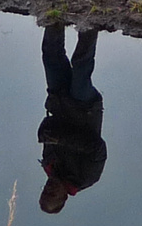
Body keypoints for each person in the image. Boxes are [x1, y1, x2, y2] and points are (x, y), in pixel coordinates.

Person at [37, 23, 107, 214]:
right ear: (64, 197)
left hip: (59, 101)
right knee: (81, 65)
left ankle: (54, 13)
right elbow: (97, 148)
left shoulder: (48, 163)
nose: (48, 189)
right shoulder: (86, 177)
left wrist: (45, 132)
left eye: (44, 192)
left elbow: (49, 127)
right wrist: (60, 139)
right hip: (84, 107)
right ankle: (90, 20)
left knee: (51, 55)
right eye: (51, 195)